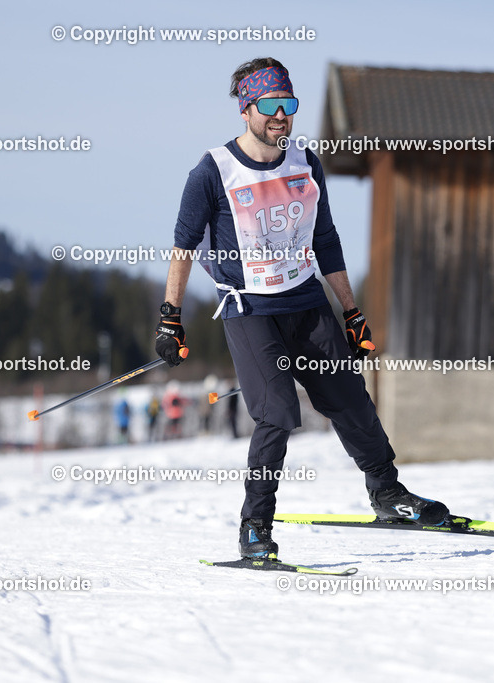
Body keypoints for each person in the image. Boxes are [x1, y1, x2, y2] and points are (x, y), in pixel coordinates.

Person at [155, 57, 447, 560]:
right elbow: (182, 248)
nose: (282, 116)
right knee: (277, 413)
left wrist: (351, 313)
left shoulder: (305, 163)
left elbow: (326, 240)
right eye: (270, 106)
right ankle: (255, 528)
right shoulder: (212, 171)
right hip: (250, 310)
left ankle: (388, 494)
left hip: (307, 300)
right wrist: (169, 319)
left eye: (288, 105)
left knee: (349, 396)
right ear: (246, 110)